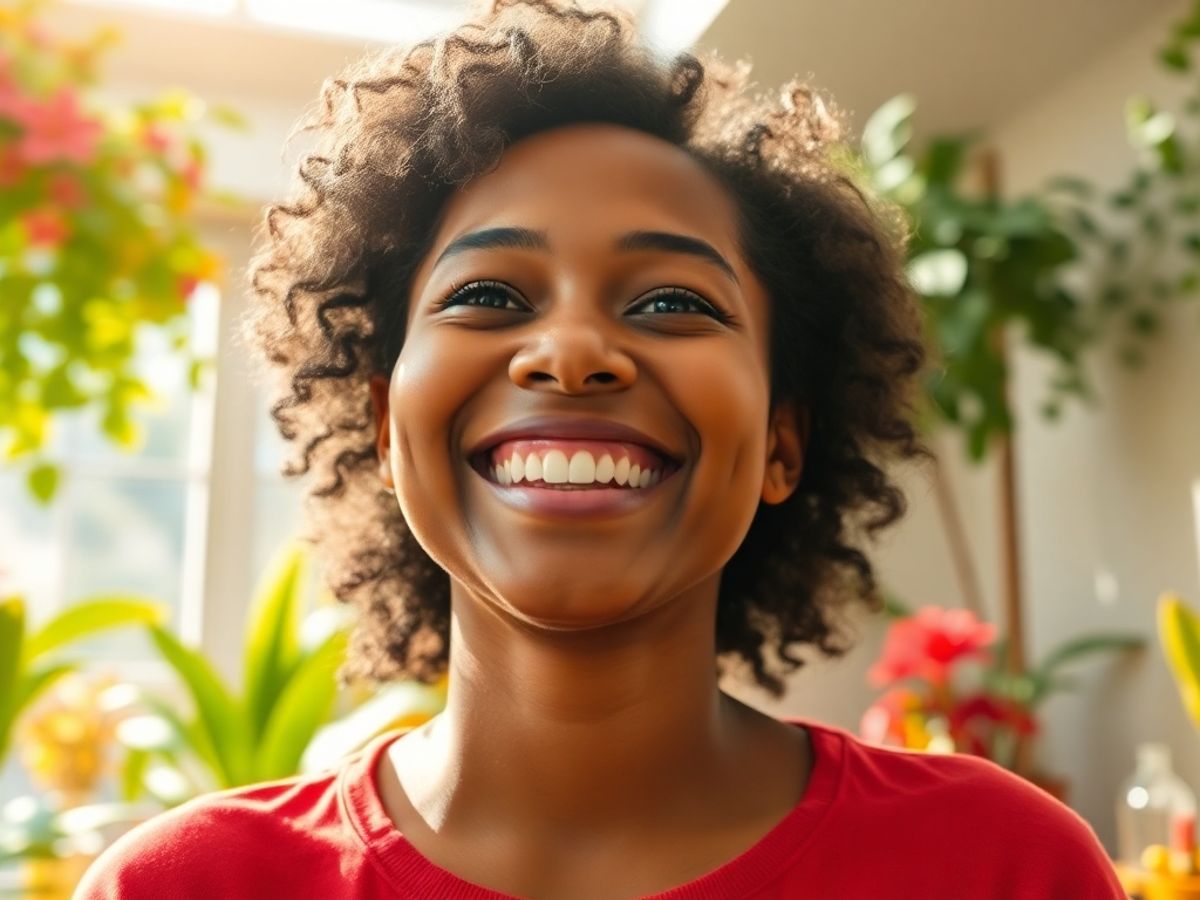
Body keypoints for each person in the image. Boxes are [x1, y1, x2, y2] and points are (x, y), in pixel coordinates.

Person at [75, 1, 1128, 897]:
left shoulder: (1000, 868)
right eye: (486, 296)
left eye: (673, 301)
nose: (573, 353)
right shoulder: (183, 886)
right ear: (386, 427)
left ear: (781, 442)